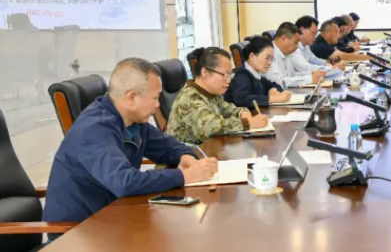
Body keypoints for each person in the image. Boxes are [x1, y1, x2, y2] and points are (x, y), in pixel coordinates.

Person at [43, 58, 219, 224]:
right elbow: (124, 182)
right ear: (131, 97)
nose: (158, 105)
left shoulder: (133, 121)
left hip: (114, 215)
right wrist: (184, 176)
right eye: (155, 98)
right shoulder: (93, 130)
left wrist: (186, 156)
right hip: (78, 231)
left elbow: (169, 147)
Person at [167, 48, 270, 144]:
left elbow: (228, 109)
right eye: (225, 75)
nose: (229, 81)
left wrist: (242, 113)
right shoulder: (189, 98)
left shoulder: (210, 93)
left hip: (207, 151)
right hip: (186, 156)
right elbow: (210, 128)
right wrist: (247, 123)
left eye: (230, 75)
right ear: (205, 72)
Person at [224, 37, 293, 109]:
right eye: (267, 58)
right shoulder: (241, 75)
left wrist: (272, 89)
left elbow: (273, 84)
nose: (270, 63)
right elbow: (242, 99)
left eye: (271, 59)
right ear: (252, 56)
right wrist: (274, 99)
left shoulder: (257, 74)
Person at [267, 22, 327, 88]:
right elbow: (281, 82)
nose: (297, 46)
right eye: (295, 42)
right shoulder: (268, 54)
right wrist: (310, 79)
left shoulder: (286, 54)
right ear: (284, 38)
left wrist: (311, 74)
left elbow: (292, 75)